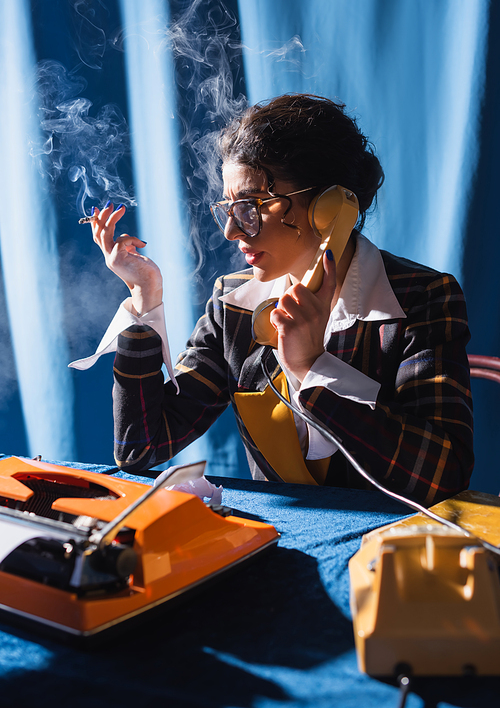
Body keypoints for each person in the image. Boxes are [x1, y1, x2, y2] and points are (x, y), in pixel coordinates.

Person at [73, 94, 473, 506]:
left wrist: (312, 367)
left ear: (328, 207)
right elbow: (141, 446)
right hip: (278, 545)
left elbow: (444, 475)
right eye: (228, 208)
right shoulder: (233, 304)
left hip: (386, 551)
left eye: (249, 207)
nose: (231, 231)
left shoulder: (422, 298)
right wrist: (144, 300)